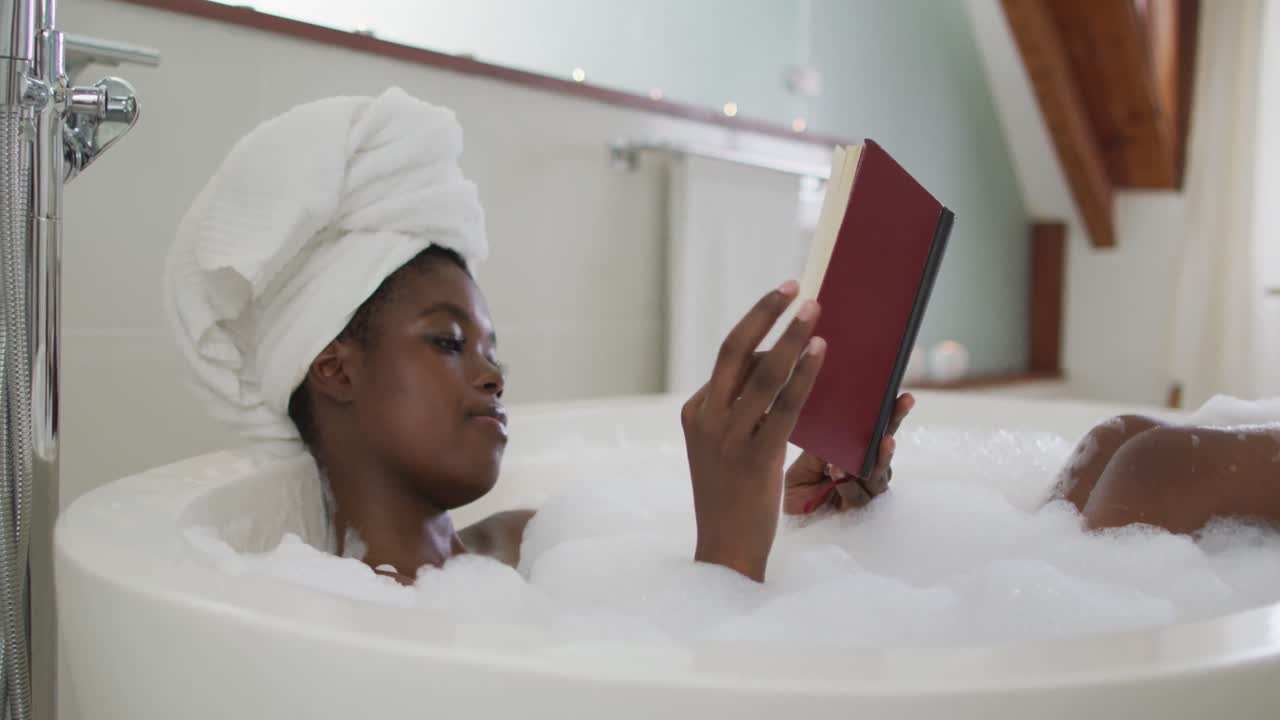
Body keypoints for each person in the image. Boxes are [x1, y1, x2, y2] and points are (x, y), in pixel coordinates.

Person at [166, 87, 908, 586]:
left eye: (492, 353)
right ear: (334, 369)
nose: (492, 377)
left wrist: (790, 517)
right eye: (449, 343)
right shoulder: (344, 621)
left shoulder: (525, 542)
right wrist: (731, 559)